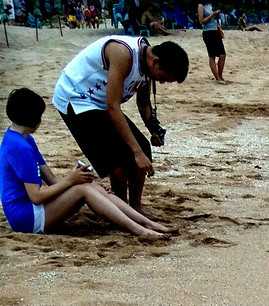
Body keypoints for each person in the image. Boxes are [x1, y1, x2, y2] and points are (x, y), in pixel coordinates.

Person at [2, 86, 168, 239]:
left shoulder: (22, 138)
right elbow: (36, 197)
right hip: (25, 218)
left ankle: (145, 223)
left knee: (87, 182)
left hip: (29, 210)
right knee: (83, 188)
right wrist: (72, 180)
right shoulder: (21, 147)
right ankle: (140, 229)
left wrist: (78, 177)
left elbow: (52, 180)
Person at [52, 34, 188, 210]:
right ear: (155, 62)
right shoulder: (124, 54)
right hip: (76, 98)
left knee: (143, 147)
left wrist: (153, 129)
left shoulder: (147, 64)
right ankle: (122, 210)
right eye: (163, 78)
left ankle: (135, 208)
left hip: (100, 103)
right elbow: (113, 108)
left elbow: (143, 103)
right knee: (117, 162)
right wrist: (136, 152)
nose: (161, 82)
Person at [198, 2, 226, 82]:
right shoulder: (201, 6)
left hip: (215, 30)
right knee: (212, 56)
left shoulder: (210, 5)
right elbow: (201, 21)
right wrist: (211, 15)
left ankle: (220, 75)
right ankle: (217, 77)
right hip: (208, 32)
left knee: (222, 55)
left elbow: (213, 19)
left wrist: (216, 15)